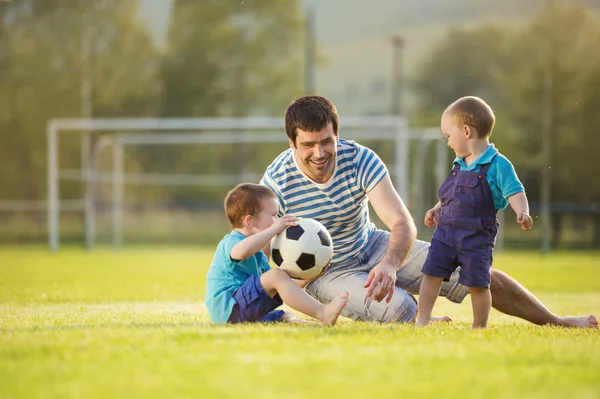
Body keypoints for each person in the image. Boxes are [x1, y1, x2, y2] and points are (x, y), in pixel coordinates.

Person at [259, 95, 598, 328]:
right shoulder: (275, 181)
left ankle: (557, 321)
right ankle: (420, 316)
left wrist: (389, 264)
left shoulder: (360, 159)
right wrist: (293, 283)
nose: (319, 152)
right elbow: (262, 243)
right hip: (327, 274)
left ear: (337, 134)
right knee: (400, 310)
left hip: (372, 246)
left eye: (327, 141)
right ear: (292, 143)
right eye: (308, 144)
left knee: (475, 272)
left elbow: (400, 222)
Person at [415, 96, 532, 328]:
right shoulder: (459, 163)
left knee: (478, 284)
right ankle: (424, 318)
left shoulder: (499, 164)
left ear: (466, 132)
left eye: (449, 136)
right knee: (431, 274)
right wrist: (436, 209)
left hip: (476, 238)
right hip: (446, 233)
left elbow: (515, 191)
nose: (448, 143)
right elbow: (451, 195)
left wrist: (523, 211)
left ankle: (479, 326)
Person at [205, 182, 349, 325]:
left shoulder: (259, 255)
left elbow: (280, 287)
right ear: (250, 221)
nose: (277, 220)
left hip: (245, 308)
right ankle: (323, 313)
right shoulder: (231, 241)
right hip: (230, 308)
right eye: (274, 215)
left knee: (284, 314)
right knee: (276, 274)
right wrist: (273, 230)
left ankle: (299, 322)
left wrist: (308, 278)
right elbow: (241, 252)